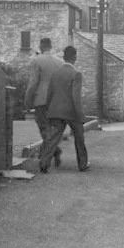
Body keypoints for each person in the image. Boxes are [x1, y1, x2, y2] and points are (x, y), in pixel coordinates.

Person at [40, 45, 89, 173]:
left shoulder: (55, 73)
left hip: (55, 111)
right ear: (75, 58)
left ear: (64, 57)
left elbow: (49, 93)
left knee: (53, 139)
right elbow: (76, 97)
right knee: (79, 137)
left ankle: (44, 163)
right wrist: (80, 115)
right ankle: (82, 164)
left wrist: (48, 110)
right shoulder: (76, 74)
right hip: (71, 112)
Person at [24, 38, 63, 167]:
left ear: (41, 46)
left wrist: (28, 100)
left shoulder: (37, 60)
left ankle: (53, 152)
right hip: (56, 100)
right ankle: (54, 150)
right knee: (52, 128)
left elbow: (33, 82)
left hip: (41, 99)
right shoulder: (59, 62)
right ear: (50, 46)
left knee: (43, 127)